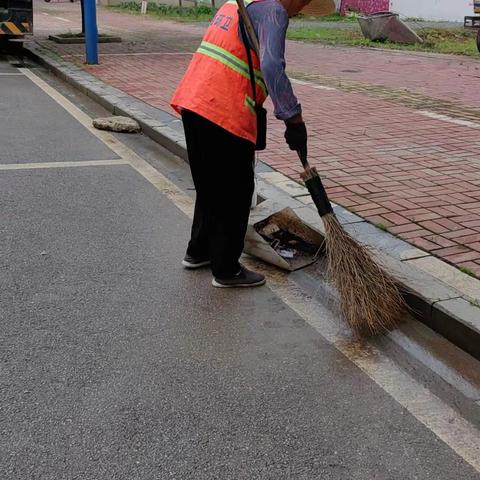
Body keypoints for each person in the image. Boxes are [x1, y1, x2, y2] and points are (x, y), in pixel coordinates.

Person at [171, 0, 311, 288]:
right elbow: (272, 66)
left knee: (210, 186)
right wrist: (293, 119)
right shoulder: (274, 11)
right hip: (224, 108)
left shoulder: (238, 4)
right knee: (236, 190)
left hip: (194, 100)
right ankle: (226, 269)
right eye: (305, 4)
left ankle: (197, 251)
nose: (302, 11)